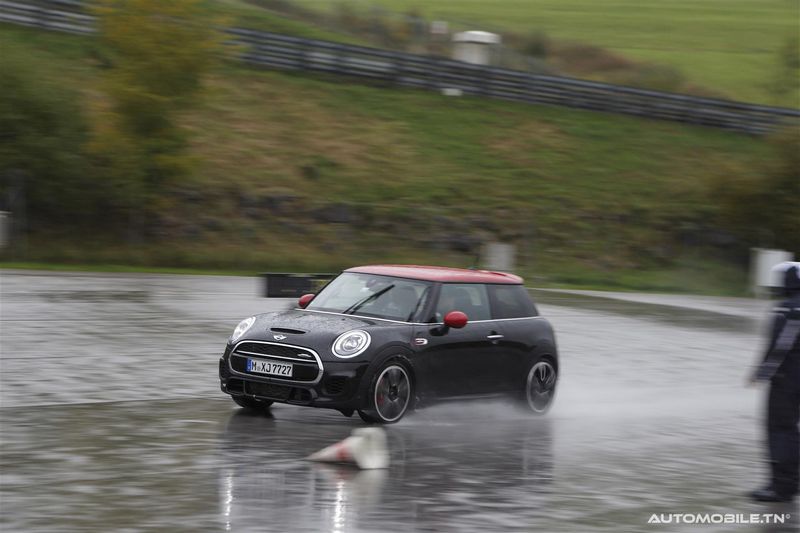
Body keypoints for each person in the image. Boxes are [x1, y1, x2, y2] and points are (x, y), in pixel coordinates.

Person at [749, 261, 800, 502]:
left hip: (786, 377)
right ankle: (789, 482)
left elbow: (781, 344)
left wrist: (762, 372)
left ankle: (781, 487)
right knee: (790, 430)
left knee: (779, 430)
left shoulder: (787, 308)